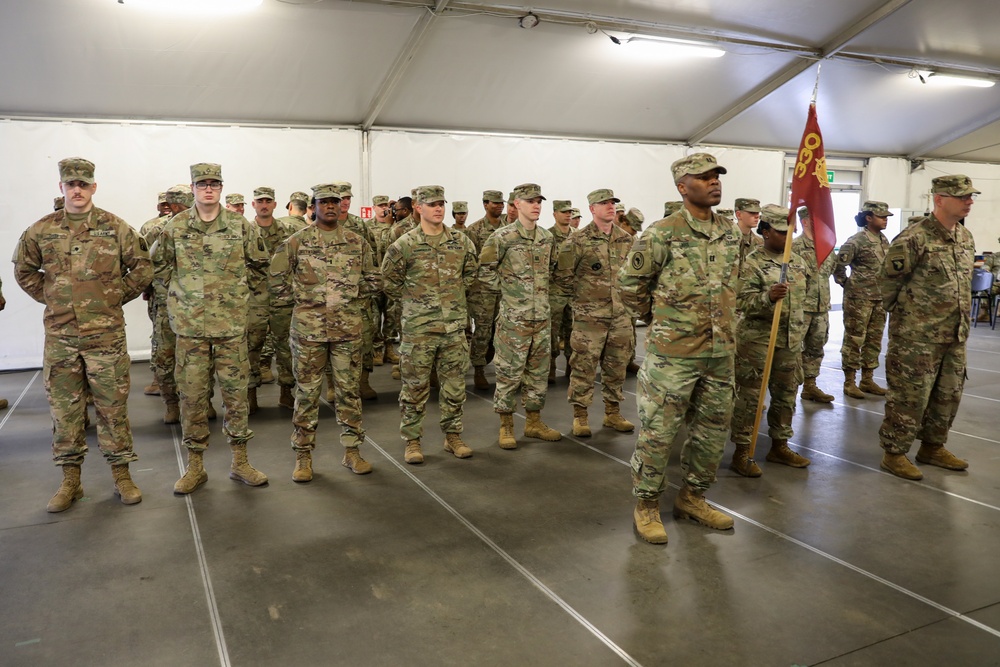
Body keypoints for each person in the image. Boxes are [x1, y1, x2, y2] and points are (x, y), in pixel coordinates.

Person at [13, 157, 151, 512]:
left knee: (112, 407)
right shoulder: (41, 229)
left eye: (83, 184)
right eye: (70, 184)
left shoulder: (114, 227)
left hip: (105, 335)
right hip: (61, 337)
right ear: (61, 188)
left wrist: (113, 295)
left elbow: (141, 267)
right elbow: (24, 269)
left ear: (93, 187)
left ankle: (122, 474)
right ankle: (70, 480)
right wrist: (53, 297)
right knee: (65, 410)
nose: (77, 189)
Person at [618, 153, 738, 544]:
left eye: (716, 176)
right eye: (703, 178)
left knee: (711, 432)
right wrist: (661, 321)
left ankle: (693, 497)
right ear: (682, 187)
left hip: (720, 354)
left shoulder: (731, 232)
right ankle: (647, 505)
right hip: (673, 356)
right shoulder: (660, 234)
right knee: (658, 433)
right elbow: (630, 287)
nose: (714, 182)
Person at [152, 163, 271, 494]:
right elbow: (158, 268)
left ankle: (240, 462)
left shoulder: (239, 225)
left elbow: (261, 266)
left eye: (214, 184)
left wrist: (242, 300)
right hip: (190, 331)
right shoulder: (175, 227)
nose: (208, 189)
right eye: (202, 184)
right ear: (192, 188)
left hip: (230, 327)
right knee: (192, 397)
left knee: (236, 396)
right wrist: (179, 301)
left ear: (221, 188)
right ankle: (195, 466)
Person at [270, 183, 381, 481]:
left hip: (347, 330)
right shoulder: (296, 242)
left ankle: (352, 451)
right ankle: (303, 456)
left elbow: (373, 278)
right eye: (323, 202)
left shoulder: (357, 242)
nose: (330, 207)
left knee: (349, 392)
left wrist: (349, 300)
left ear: (341, 206)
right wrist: (305, 302)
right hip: (308, 332)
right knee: (306, 394)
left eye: (335, 201)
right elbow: (276, 281)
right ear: (313, 207)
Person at [878, 175, 978, 480]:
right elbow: (886, 285)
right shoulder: (914, 238)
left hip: (955, 334)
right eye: (962, 197)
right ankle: (894, 453)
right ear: (939, 199)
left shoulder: (965, 237)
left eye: (970, 196)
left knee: (948, 395)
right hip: (916, 338)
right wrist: (910, 319)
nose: (969, 201)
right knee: (910, 396)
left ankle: (933, 446)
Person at [381, 185, 478, 464]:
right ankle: (412, 441)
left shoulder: (461, 242)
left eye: (441, 203)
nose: (438, 208)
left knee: (455, 386)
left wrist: (453, 300)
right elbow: (390, 283)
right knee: (414, 388)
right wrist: (416, 305)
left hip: (453, 328)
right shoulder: (404, 244)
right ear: (418, 208)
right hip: (419, 331)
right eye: (432, 204)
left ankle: (453, 436)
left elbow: (470, 275)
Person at [729, 204, 811, 477]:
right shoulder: (751, 263)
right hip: (758, 341)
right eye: (780, 233)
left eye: (790, 233)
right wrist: (767, 298)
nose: (787, 238)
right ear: (765, 232)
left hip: (790, 341)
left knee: (786, 396)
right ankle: (742, 450)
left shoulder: (798, 262)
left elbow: (803, 302)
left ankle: (780, 444)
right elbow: (740, 301)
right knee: (750, 398)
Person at [479, 183, 562, 449]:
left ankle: (534, 422)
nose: (536, 205)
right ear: (517, 204)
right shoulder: (502, 237)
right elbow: (484, 271)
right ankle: (506, 425)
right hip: (514, 320)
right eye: (530, 201)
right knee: (508, 373)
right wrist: (509, 291)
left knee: (538, 373)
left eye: (539, 200)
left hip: (541, 319)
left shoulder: (547, 238)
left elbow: (552, 271)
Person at [553, 188, 635, 438]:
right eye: (604, 203)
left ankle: (612, 413)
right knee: (583, 367)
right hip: (589, 319)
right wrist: (581, 304)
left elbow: (634, 276)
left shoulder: (626, 239)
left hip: (620, 317)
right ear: (592, 209)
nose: (610, 206)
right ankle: (580, 415)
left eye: (612, 202)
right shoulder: (577, 241)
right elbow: (563, 278)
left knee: (617, 366)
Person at [143, 185, 192, 425]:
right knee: (164, 356)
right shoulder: (157, 232)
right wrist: (148, 289)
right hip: (164, 305)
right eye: (181, 206)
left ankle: (197, 404)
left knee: (196, 360)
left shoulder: (198, 230)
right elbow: (142, 265)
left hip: (194, 307)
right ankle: (171, 404)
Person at [247, 187, 298, 412]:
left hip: (282, 298)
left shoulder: (287, 232)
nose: (264, 204)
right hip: (254, 298)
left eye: (268, 201)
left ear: (275, 204)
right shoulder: (245, 231)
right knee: (251, 347)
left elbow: (296, 261)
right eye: (260, 201)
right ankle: (250, 394)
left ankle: (286, 392)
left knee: (285, 347)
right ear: (253, 205)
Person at [834, 201, 892, 399]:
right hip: (859, 299)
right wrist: (847, 284)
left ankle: (867, 379)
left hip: (879, 299)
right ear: (869, 217)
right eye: (881, 216)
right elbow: (839, 265)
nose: (885, 219)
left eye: (886, 217)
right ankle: (849, 382)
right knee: (854, 339)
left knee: (874, 340)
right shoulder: (856, 240)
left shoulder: (884, 240)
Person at [794, 206, 837, 403]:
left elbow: (833, 270)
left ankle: (810, 386)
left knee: (816, 347)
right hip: (800, 308)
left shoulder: (826, 246)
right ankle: (789, 388)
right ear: (805, 222)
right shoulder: (794, 248)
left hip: (821, 307)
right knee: (792, 350)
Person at [466, 189, 506, 389]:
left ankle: (505, 369)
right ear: (485, 204)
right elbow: (470, 262)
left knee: (503, 331)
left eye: (501, 203)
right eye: (494, 203)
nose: (499, 206)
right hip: (482, 290)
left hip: (506, 290)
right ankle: (479, 369)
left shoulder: (509, 229)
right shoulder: (474, 230)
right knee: (482, 330)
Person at [548, 199, 574, 383]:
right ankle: (550, 365)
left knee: (573, 331)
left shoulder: (578, 237)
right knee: (552, 331)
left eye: (569, 212)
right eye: (563, 212)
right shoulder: (548, 237)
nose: (567, 215)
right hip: (555, 291)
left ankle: (571, 365)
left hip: (574, 292)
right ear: (555, 214)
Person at [732, 198, 762, 265]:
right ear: (738, 215)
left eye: (758, 213)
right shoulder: (725, 240)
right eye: (752, 213)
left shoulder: (760, 243)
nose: (757, 216)